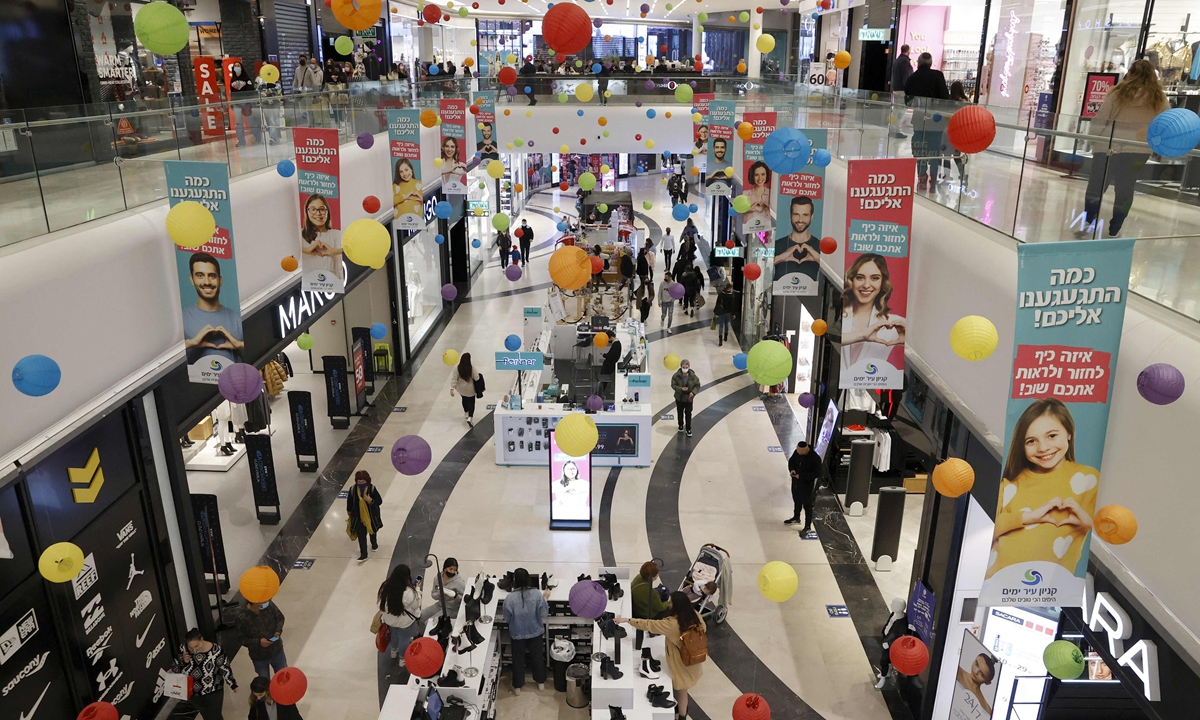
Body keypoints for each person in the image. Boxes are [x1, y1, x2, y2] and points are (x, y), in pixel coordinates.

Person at [987, 398, 1097, 578]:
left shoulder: (1088, 479)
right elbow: (992, 533)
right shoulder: (1011, 482)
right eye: (1031, 441)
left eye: (1052, 436)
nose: (1043, 447)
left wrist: (1086, 521)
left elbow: (1109, 532)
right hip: (998, 581)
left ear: (1069, 432)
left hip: (1051, 586)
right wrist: (1028, 517)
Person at [1078, 59, 1167, 238]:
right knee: (1125, 188)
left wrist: (1094, 141)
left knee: (1097, 185)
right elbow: (1164, 124)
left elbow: (1101, 119)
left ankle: (1088, 222)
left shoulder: (1118, 94)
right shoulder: (1159, 99)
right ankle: (1115, 228)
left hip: (1108, 146)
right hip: (1138, 149)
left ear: (1130, 73)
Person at [614, 592, 706, 718]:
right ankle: (681, 713)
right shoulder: (695, 615)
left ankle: (682, 715)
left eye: (670, 602)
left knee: (682, 691)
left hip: (681, 662)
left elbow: (648, 624)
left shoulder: (671, 624)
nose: (668, 604)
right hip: (695, 657)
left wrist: (627, 620)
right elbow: (704, 629)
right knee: (683, 690)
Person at [841, 254, 905, 372]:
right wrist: (862, 335)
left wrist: (909, 346)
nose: (866, 285)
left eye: (874, 278)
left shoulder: (895, 324)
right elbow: (824, 339)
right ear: (851, 280)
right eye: (860, 277)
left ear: (882, 283)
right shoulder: (836, 316)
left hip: (872, 384)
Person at [183, 252, 245, 367]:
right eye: (200, 276)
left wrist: (239, 344)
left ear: (220, 280)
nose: (207, 282)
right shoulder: (182, 319)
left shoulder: (238, 318)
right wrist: (191, 343)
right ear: (192, 279)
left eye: (212, 276)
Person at [903, 52, 950, 189]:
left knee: (920, 149)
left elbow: (907, 100)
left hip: (919, 120)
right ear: (930, 63)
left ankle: (922, 178)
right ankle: (933, 178)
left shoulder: (912, 78)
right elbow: (945, 98)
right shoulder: (938, 76)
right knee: (935, 150)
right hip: (936, 120)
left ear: (918, 63)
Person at [377, 564, 422, 703]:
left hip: (390, 620)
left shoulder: (385, 587)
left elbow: (380, 604)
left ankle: (393, 651)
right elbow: (416, 605)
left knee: (394, 635)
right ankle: (402, 659)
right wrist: (418, 589)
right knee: (404, 638)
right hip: (404, 622)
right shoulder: (409, 592)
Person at [502, 568, 551, 694]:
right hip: (535, 631)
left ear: (514, 581)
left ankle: (517, 686)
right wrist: (545, 598)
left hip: (517, 634)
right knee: (537, 657)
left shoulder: (509, 598)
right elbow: (543, 613)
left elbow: (507, 618)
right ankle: (540, 682)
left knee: (518, 660)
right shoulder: (537, 594)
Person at [171, 628, 237, 720]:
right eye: (191, 648)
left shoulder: (216, 651)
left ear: (201, 639)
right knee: (206, 715)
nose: (194, 650)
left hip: (213, 690)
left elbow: (225, 667)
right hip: (193, 692)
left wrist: (232, 683)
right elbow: (175, 669)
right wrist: (184, 662)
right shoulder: (183, 649)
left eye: (196, 646)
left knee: (215, 716)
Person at [773, 196, 820, 285]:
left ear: (811, 216)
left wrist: (818, 259)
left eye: (805, 215)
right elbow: (758, 267)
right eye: (796, 214)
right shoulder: (776, 245)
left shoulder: (820, 247)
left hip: (810, 294)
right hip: (779, 294)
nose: (800, 220)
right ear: (790, 215)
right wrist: (779, 258)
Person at [238, 596, 287, 678]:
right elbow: (241, 638)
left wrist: (278, 630)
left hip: (276, 650)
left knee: (283, 676)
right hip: (259, 656)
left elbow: (280, 618)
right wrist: (258, 642)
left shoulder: (269, 605)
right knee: (264, 680)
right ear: (256, 603)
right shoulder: (242, 617)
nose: (266, 602)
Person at [301, 194, 343, 282]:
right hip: (308, 283)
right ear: (307, 212)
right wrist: (306, 250)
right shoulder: (300, 234)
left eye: (322, 209)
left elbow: (353, 250)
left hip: (333, 282)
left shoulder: (337, 234)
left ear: (327, 211)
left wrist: (335, 251)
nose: (318, 213)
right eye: (313, 209)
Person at [786, 441, 823, 530]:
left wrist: (801, 476)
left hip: (806, 485)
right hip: (796, 483)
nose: (798, 453)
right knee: (796, 500)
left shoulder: (815, 458)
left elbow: (817, 473)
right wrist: (792, 470)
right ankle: (796, 517)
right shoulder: (797, 452)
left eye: (800, 452)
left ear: (805, 450)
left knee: (807, 505)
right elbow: (791, 461)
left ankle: (807, 525)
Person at [347, 470, 382, 561]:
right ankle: (363, 554)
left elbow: (379, 501)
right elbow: (349, 503)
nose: (361, 484)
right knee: (361, 535)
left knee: (372, 531)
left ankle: (374, 544)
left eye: (363, 482)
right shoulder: (353, 490)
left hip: (371, 516)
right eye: (359, 482)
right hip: (358, 516)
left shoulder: (372, 489)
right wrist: (349, 513)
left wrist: (370, 500)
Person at [449, 352, 482, 426]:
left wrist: (452, 389)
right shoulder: (471, 368)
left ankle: (466, 411)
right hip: (470, 390)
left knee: (464, 399)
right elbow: (477, 378)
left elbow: (454, 378)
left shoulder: (457, 368)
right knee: (471, 403)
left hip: (461, 389)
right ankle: (470, 417)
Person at [671, 359, 700, 437]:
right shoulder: (676, 376)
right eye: (683, 367)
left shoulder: (693, 377)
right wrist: (681, 389)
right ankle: (680, 425)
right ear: (681, 367)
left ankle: (688, 429)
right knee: (680, 412)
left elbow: (697, 385)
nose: (685, 369)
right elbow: (673, 385)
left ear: (689, 367)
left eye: (686, 367)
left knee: (688, 413)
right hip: (679, 397)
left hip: (688, 398)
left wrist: (693, 392)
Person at [744, 161, 772, 230]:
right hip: (749, 230)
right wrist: (747, 210)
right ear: (752, 176)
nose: (760, 178)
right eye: (756, 175)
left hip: (768, 231)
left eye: (763, 174)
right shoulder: (745, 194)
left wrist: (770, 207)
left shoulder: (772, 194)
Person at [600, 330, 622, 400]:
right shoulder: (616, 343)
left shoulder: (615, 345)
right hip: (610, 364)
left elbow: (612, 356)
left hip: (609, 365)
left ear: (611, 337)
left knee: (604, 377)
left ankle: (601, 391)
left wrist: (605, 355)